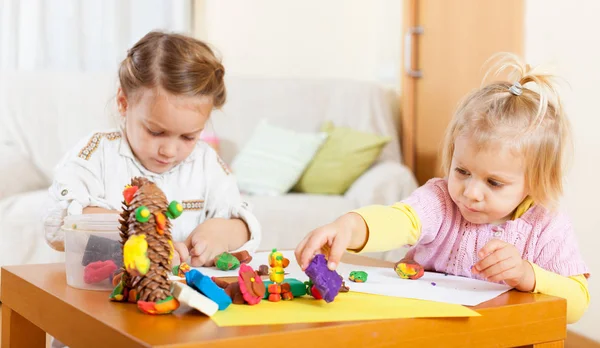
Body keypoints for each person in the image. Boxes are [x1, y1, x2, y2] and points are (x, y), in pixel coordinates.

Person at [295, 53, 590, 323]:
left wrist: (527, 275)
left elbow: (577, 303)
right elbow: (400, 220)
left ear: (535, 182)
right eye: (462, 171)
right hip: (426, 331)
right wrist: (350, 225)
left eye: (494, 182)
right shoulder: (440, 200)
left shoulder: (546, 224)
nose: (471, 192)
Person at [43, 31, 260, 268]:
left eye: (188, 137)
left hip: (184, 296)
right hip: (102, 293)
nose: (169, 150)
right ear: (124, 103)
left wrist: (224, 232)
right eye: (156, 132)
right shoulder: (96, 154)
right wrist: (137, 232)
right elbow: (62, 223)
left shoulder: (206, 162)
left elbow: (244, 224)